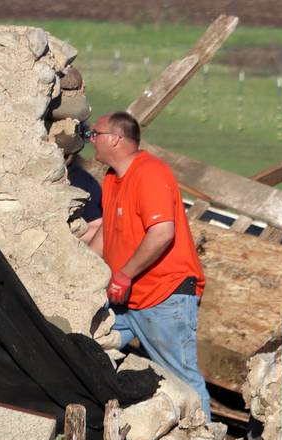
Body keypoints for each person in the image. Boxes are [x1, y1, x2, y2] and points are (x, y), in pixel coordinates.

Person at [87, 111, 211, 421]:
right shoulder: (113, 178)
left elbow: (162, 232)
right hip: (127, 300)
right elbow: (107, 233)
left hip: (163, 296)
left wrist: (125, 274)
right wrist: (83, 274)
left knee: (182, 377)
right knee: (85, 345)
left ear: (116, 138)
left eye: (95, 134)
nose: (91, 140)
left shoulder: (150, 173)